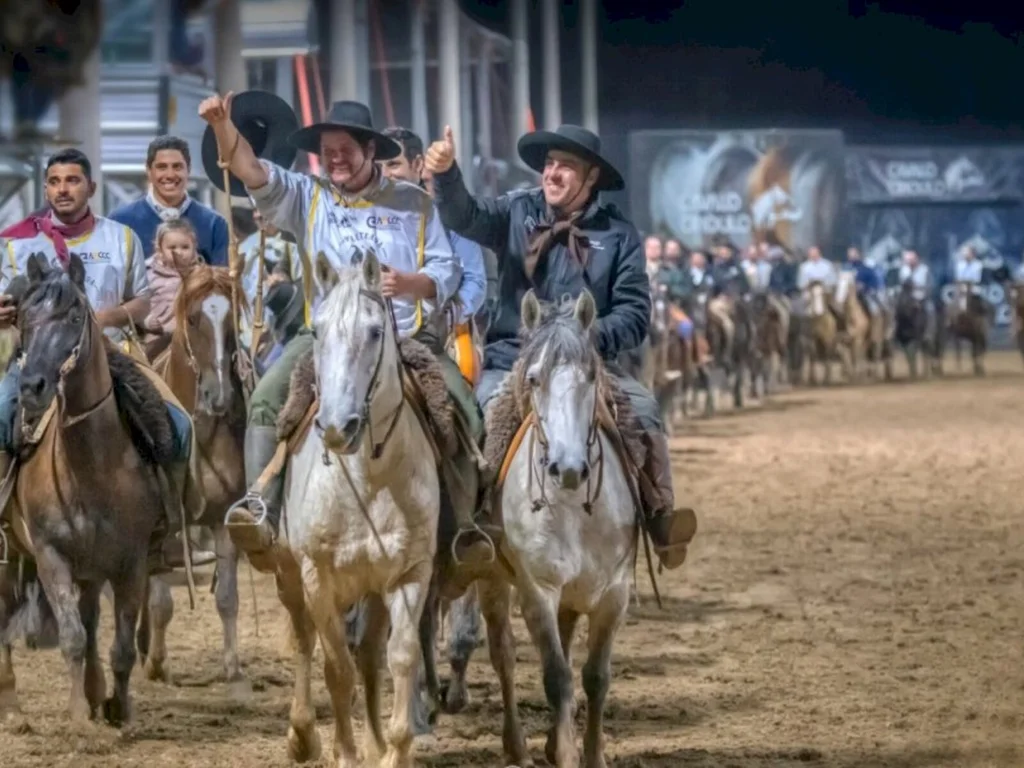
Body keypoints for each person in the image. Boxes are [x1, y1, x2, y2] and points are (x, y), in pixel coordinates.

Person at [198, 91, 480, 569]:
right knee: (266, 399)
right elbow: (250, 169)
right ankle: (261, 508)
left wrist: (411, 282)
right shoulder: (307, 195)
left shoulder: (415, 203)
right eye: (327, 153)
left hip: (407, 340)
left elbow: (447, 270)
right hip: (324, 341)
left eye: (345, 151)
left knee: (462, 408)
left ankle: (468, 528)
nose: (335, 160)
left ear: (371, 151)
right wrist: (223, 125)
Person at [425, 122, 697, 571]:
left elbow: (633, 314)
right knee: (474, 417)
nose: (552, 174)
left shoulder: (620, 235)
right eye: (549, 164)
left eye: (565, 167)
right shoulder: (515, 212)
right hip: (513, 359)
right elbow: (464, 216)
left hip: (587, 363)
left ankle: (658, 515)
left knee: (645, 411)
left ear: (591, 178)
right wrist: (448, 174)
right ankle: (468, 526)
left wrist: (582, 339)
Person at [0, 148, 214, 573]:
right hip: (37, 359)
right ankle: (6, 523)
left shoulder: (121, 237)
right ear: (46, 188)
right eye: (56, 181)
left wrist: (96, 321)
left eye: (73, 180)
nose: (64, 189)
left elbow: (142, 302)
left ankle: (167, 531)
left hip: (112, 355)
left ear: (90, 188)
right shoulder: (14, 242)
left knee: (177, 422)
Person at [380, 126, 488, 385]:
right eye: (378, 166)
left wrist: (450, 314)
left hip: (440, 327)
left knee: (464, 378)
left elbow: (475, 279)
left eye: (394, 165)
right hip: (377, 325)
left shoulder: (449, 215)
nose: (385, 175)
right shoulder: (369, 214)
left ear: (417, 165)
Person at [109, 136, 230, 266]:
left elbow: (222, 281)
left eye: (177, 167)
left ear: (188, 170)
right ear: (149, 171)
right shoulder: (119, 222)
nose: (170, 175)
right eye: (162, 167)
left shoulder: (215, 224)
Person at [142, 218, 201, 337]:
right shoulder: (148, 274)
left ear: (194, 248)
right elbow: (135, 304)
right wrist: (146, 321)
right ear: (159, 249)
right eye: (172, 247)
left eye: (185, 247)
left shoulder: (201, 274)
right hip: (159, 336)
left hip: (193, 337)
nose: (179, 252)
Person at [844, 246, 883, 317]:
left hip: (865, 293)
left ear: (858, 255)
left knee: (874, 310)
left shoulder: (865, 268)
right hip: (848, 294)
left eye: (853, 254)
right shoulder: (846, 268)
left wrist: (864, 286)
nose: (851, 257)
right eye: (849, 255)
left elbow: (873, 281)